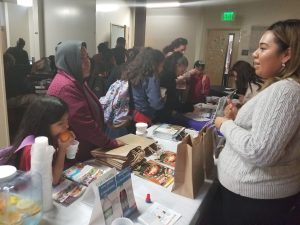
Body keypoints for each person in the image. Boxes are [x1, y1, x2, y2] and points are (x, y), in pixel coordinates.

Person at [214, 19, 300, 225]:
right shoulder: (281, 87)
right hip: (253, 198)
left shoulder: (286, 90)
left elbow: (260, 151)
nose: (255, 54)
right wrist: (237, 120)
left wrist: (225, 124)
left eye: (263, 48)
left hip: (254, 202)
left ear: (286, 54)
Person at [47, 41, 123, 162]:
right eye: (81, 59)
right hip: (76, 153)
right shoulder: (67, 86)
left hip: (85, 148)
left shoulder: (76, 80)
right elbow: (85, 124)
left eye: (87, 56)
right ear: (69, 61)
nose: (87, 62)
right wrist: (110, 143)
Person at [12, 96, 75, 185]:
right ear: (44, 125)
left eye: (67, 120)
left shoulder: (50, 137)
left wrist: (67, 147)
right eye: (60, 123)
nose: (67, 126)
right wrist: (62, 150)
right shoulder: (33, 150)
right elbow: (53, 181)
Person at [125, 47, 165, 125]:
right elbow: (155, 103)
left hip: (131, 114)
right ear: (156, 63)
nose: (162, 68)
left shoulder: (132, 72)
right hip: (144, 116)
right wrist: (163, 100)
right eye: (162, 65)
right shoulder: (151, 76)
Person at [156, 52, 193, 123]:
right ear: (177, 66)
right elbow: (168, 100)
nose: (183, 73)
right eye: (182, 70)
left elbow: (180, 98)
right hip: (162, 115)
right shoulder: (166, 76)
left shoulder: (174, 77)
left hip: (169, 112)